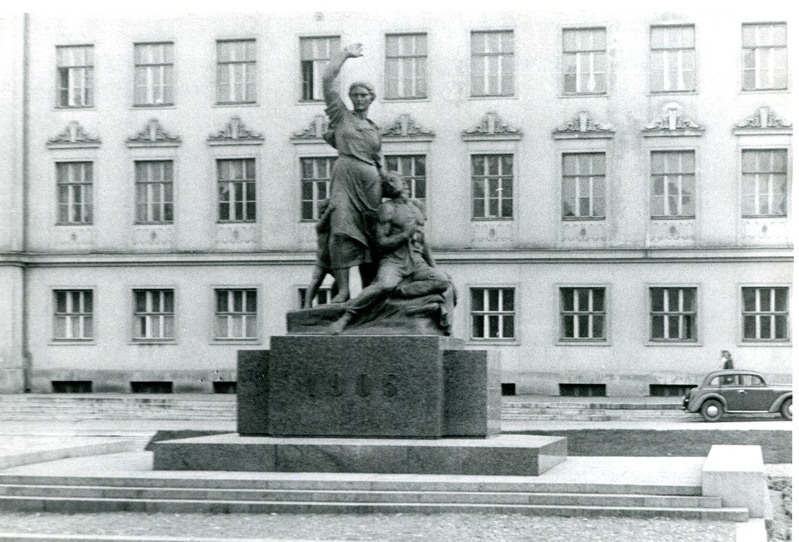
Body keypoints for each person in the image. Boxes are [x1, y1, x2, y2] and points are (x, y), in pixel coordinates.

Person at [330, 173, 454, 335]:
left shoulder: (417, 207)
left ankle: (401, 292)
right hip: (394, 260)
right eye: (392, 183)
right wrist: (404, 235)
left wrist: (434, 267)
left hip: (417, 261)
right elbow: (381, 243)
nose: (403, 184)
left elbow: (423, 242)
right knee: (383, 285)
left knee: (442, 280)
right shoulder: (387, 209)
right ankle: (346, 317)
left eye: (398, 181)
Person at [322, 42, 385, 303]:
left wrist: (389, 183)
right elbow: (327, 79)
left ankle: (368, 294)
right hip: (345, 177)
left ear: (371, 98)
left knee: (370, 237)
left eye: (363, 95)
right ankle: (344, 291)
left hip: (371, 183)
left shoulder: (374, 128)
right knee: (341, 230)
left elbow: (377, 160)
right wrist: (345, 55)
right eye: (355, 95)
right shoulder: (341, 116)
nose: (359, 99)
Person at [302, 199, 336, 309]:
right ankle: (307, 306)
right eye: (322, 212)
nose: (322, 215)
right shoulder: (320, 226)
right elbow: (323, 221)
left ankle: (338, 303)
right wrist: (330, 210)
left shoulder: (333, 226)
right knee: (315, 282)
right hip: (322, 261)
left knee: (341, 284)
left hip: (333, 261)